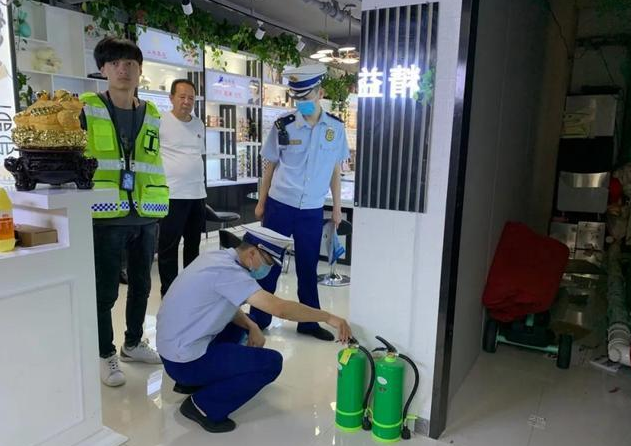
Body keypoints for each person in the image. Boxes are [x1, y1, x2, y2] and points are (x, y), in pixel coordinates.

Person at [156, 227, 352, 433]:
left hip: (174, 350)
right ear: (252, 253)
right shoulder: (230, 273)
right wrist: (328, 317)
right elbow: (281, 309)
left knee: (248, 320)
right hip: (184, 362)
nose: (268, 269)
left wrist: (252, 326)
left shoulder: (218, 258)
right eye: (268, 262)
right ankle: (203, 406)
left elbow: (224, 302)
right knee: (270, 363)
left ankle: (194, 382)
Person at [80, 37, 169, 387]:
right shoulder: (87, 109)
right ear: (103, 69)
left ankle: (132, 343)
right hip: (106, 215)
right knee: (105, 291)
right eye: (115, 62)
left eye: (130, 63)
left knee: (142, 285)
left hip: (145, 212)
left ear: (140, 70)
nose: (123, 69)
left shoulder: (152, 113)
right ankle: (105, 354)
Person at [252, 63, 350, 341]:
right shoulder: (283, 126)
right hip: (279, 205)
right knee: (268, 263)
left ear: (320, 93)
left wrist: (337, 207)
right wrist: (261, 202)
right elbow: (270, 166)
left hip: (311, 210)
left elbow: (335, 170)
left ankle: (309, 323)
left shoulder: (335, 128)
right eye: (296, 98)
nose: (301, 103)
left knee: (308, 267)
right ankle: (258, 318)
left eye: (306, 97)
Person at [158, 79, 206, 297]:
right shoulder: (160, 121)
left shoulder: (199, 124)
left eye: (191, 98)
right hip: (172, 194)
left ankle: (190, 289)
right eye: (182, 97)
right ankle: (169, 292)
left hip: (197, 194)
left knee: (193, 245)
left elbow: (197, 155)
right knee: (169, 246)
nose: (187, 102)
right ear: (171, 98)